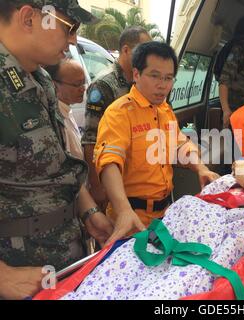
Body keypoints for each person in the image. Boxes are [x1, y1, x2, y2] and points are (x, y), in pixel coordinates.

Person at [59, 154, 244, 300]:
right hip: (169, 236)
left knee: (162, 293)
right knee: (118, 272)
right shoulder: (231, 181)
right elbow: (199, 199)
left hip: (207, 250)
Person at [0, 0, 97, 300]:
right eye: (69, 28)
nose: (73, 40)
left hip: (64, 264)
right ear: (29, 18)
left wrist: (90, 212)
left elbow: (57, 164)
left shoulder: (40, 78)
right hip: (21, 275)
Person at [94, 41, 220, 244]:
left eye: (168, 78)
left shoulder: (165, 110)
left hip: (165, 214)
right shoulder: (119, 113)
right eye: (154, 76)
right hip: (131, 220)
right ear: (136, 74)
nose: (163, 85)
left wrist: (201, 169)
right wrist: (123, 210)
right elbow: (109, 162)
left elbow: (180, 146)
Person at [45, 59, 114, 249]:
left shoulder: (66, 112)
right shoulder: (53, 118)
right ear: (54, 84)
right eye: (76, 84)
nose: (82, 89)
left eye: (83, 83)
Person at [82, 26, 152, 210]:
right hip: (113, 181)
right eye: (143, 49)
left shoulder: (141, 82)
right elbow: (90, 140)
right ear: (126, 50)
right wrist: (97, 186)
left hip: (138, 182)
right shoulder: (104, 85)